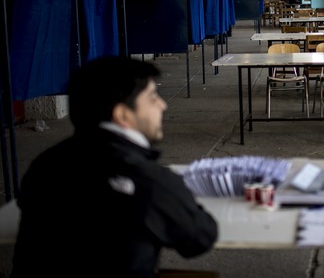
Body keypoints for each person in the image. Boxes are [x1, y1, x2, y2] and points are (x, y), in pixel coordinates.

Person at [11, 57, 218, 277]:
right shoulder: (150, 181)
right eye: (152, 97)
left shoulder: (43, 164)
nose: (162, 104)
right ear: (122, 114)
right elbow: (199, 238)